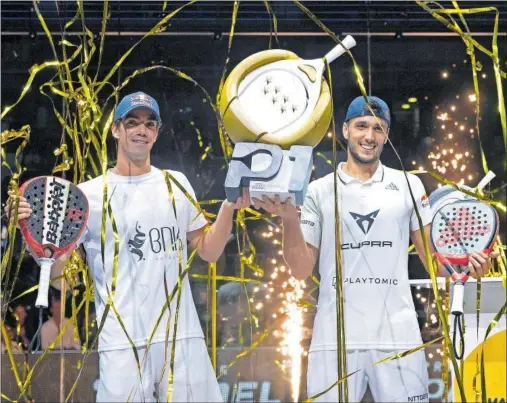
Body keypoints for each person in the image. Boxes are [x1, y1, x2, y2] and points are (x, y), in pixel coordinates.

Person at [252, 96, 498, 402]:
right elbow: (301, 269)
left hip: (399, 339)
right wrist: (289, 218)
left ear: (387, 135)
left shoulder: (409, 186)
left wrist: (467, 269)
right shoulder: (318, 190)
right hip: (335, 340)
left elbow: (436, 266)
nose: (370, 136)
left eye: (379, 129)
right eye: (362, 126)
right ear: (345, 130)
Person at [6, 91, 249, 402]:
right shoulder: (88, 195)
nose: (141, 130)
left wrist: (229, 207)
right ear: (116, 129)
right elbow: (58, 272)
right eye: (132, 122)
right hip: (121, 342)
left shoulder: (176, 184)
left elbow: (209, 251)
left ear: (157, 132)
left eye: (149, 123)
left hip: (179, 337)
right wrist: (31, 231)